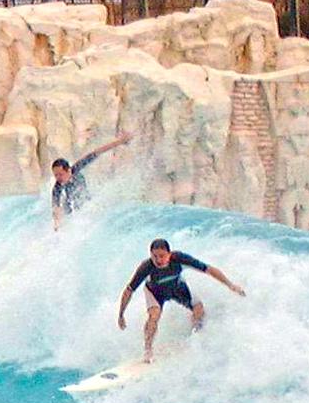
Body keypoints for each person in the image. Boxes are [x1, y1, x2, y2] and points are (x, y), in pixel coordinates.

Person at [118, 238, 246, 362]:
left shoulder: (179, 258)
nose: (158, 260)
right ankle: (148, 350)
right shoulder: (146, 267)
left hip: (177, 288)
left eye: (162, 256)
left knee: (198, 308)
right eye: (154, 256)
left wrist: (230, 285)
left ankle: (195, 336)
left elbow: (209, 269)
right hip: (155, 293)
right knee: (154, 315)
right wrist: (121, 314)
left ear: (169, 254)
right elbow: (129, 290)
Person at [51, 132, 132, 230]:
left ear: (68, 170)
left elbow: (98, 152)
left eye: (60, 174)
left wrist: (120, 142)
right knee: (68, 209)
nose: (58, 178)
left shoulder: (76, 168)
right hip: (70, 205)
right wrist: (56, 224)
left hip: (84, 200)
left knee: (88, 204)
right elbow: (56, 207)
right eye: (55, 175)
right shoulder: (57, 187)